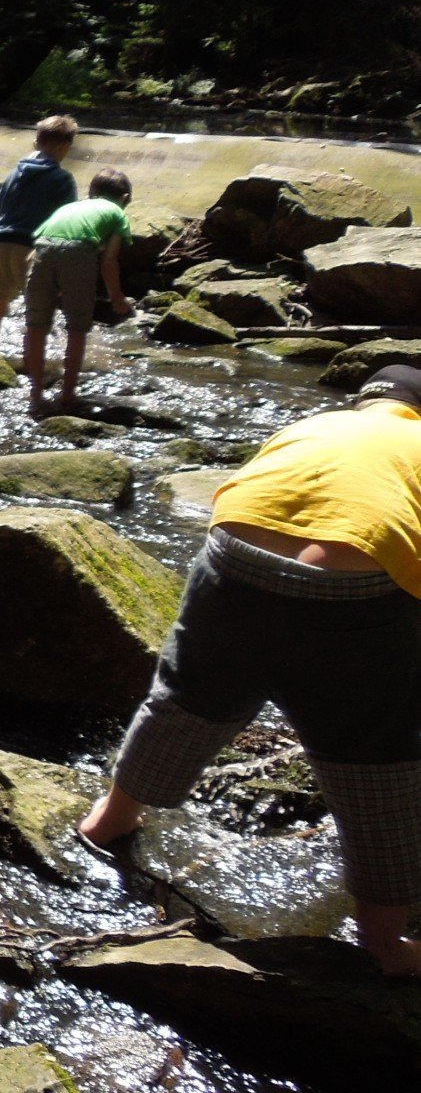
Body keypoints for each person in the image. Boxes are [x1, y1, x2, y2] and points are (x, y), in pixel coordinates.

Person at [79, 366, 421, 976]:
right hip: (354, 587)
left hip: (232, 557)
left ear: (366, 401)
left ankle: (108, 823)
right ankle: (383, 939)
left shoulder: (318, 422)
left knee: (188, 699)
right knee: (374, 754)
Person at [22, 168, 133, 418]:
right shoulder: (117, 213)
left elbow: (37, 250)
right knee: (76, 328)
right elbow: (108, 261)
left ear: (91, 193)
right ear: (124, 199)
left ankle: (36, 393)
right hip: (79, 254)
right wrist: (116, 297)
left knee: (36, 327)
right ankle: (68, 395)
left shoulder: (68, 208)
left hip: (41, 252)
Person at [0, 114, 80, 346]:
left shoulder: (15, 173)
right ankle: (32, 361)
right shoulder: (63, 179)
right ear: (65, 147)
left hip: (3, 242)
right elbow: (67, 221)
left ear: (36, 143)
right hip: (33, 248)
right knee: (37, 309)